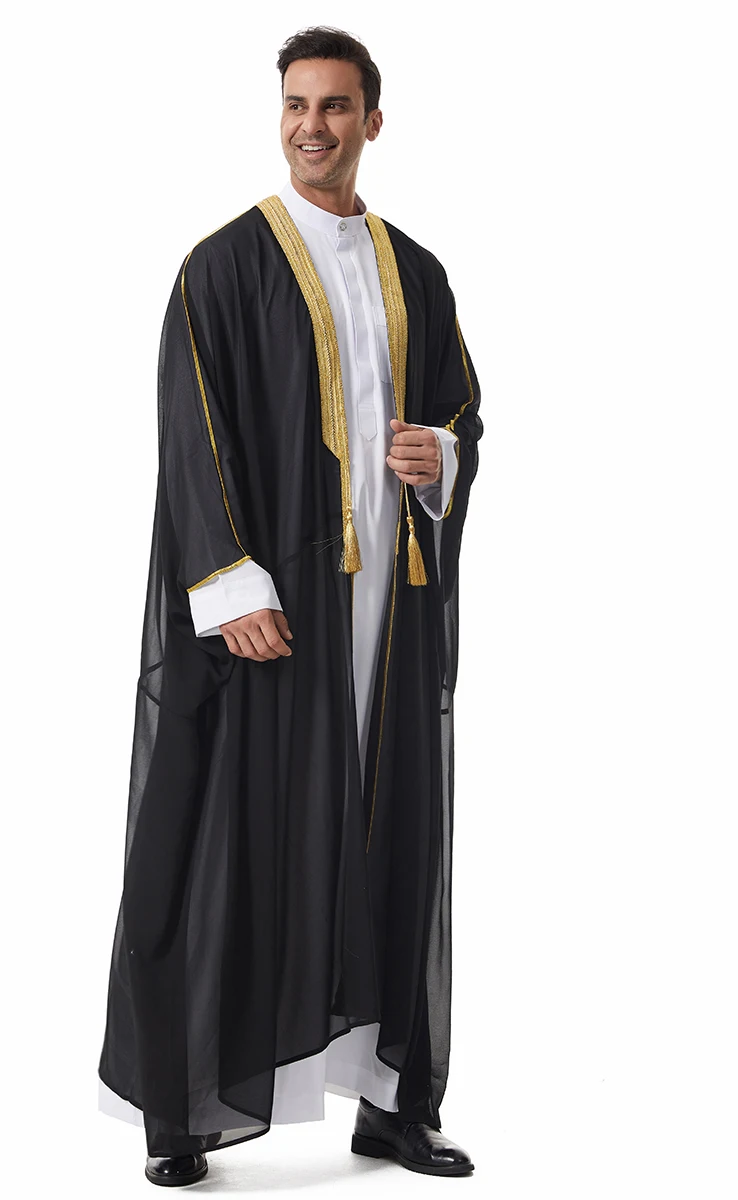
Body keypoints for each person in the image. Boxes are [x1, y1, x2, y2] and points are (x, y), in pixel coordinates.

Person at [97, 25, 484, 1187]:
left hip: (391, 616)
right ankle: (185, 1109)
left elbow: (460, 413)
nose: (313, 126)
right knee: (228, 838)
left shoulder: (419, 272)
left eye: (336, 106)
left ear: (374, 120)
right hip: (275, 615)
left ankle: (393, 1104)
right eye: (297, 105)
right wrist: (229, 584)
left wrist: (440, 460)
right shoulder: (222, 267)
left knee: (395, 836)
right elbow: (190, 430)